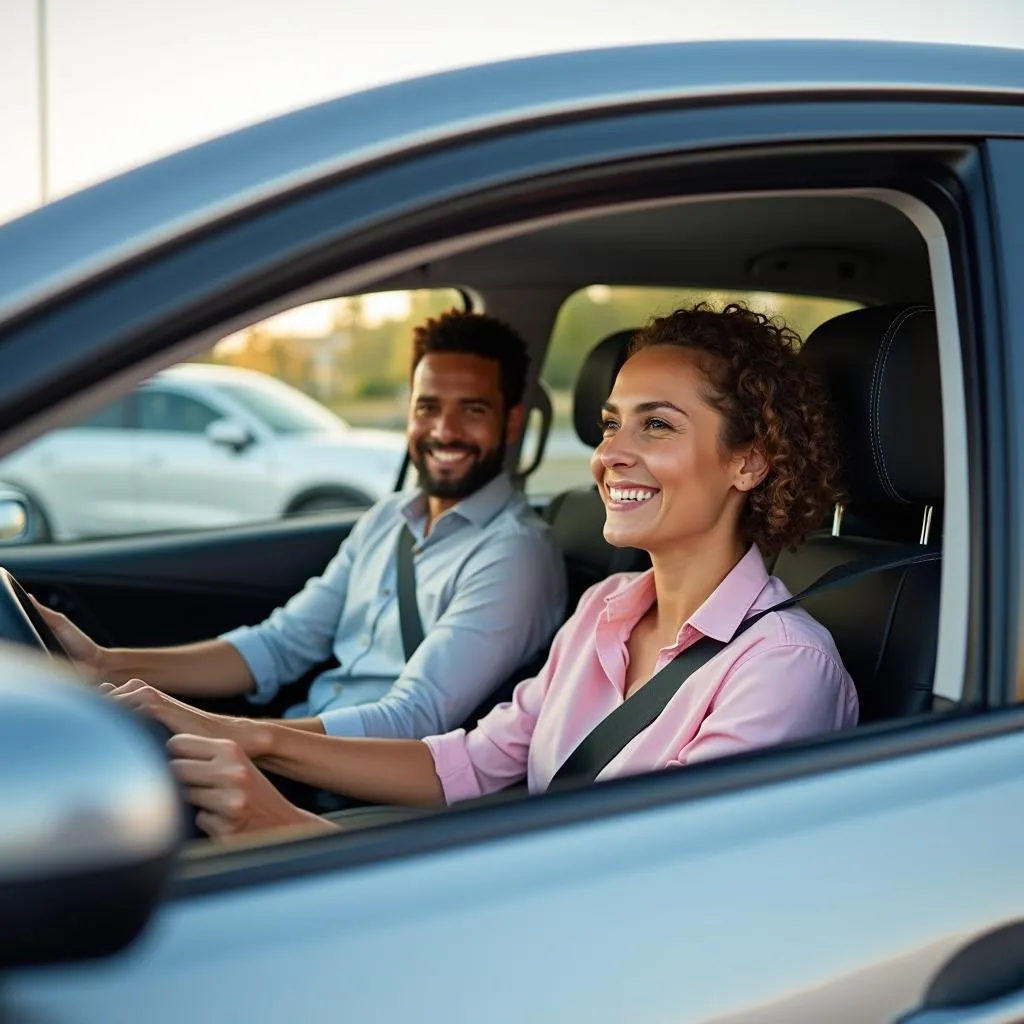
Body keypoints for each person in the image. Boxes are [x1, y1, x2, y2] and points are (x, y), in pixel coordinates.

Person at [110, 302, 859, 841]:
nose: (609, 455)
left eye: (656, 424)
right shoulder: (606, 608)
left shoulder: (782, 670)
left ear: (751, 461)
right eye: (610, 424)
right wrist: (245, 736)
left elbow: (638, 897)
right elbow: (466, 764)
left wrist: (294, 833)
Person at [38, 309, 567, 747]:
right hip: (302, 741)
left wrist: (234, 736)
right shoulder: (388, 518)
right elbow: (282, 644)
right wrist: (106, 664)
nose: (444, 431)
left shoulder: (514, 554)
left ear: (512, 422)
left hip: (362, 785)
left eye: (471, 410)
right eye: (428, 408)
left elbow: (414, 719)